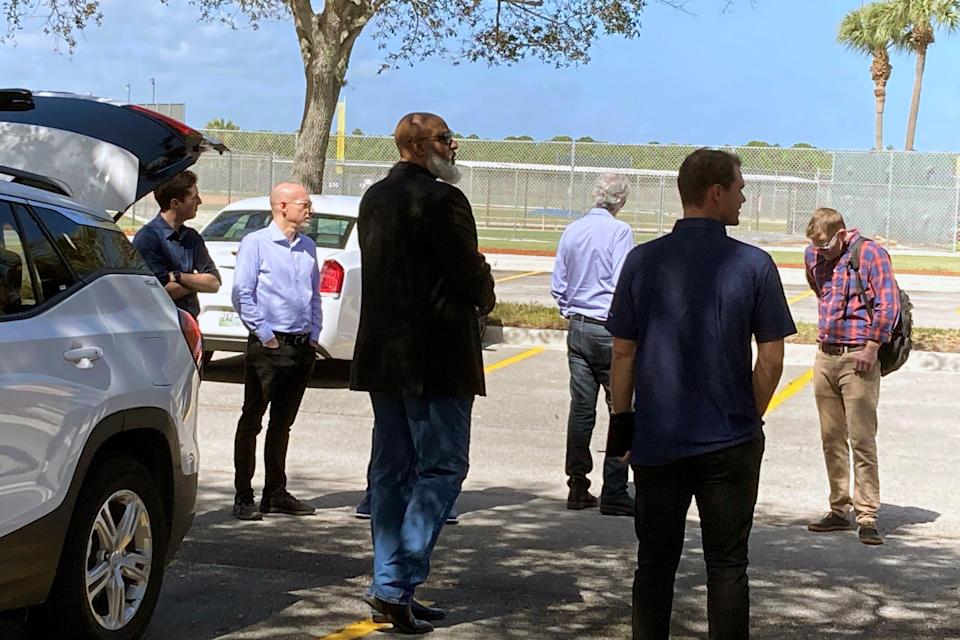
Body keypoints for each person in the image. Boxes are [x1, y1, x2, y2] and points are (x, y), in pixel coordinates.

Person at [607, 149, 795, 640]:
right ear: (716, 193)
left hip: (658, 439)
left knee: (654, 567)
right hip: (729, 441)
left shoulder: (641, 260)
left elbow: (622, 354)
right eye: (739, 187)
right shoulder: (754, 264)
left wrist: (621, 428)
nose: (744, 196)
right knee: (728, 567)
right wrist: (747, 418)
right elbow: (772, 358)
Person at [350, 112, 495, 634]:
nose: (452, 146)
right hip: (436, 359)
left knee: (391, 471)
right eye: (443, 138)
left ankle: (391, 585)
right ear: (415, 146)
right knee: (441, 469)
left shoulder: (374, 197)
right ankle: (394, 584)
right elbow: (466, 273)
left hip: (386, 358)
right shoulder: (443, 199)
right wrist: (487, 286)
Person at [803, 207, 899, 546]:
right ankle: (838, 509)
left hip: (859, 356)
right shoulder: (812, 254)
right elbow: (819, 291)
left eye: (826, 246)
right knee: (831, 437)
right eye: (815, 247)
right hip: (825, 355)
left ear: (842, 234)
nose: (820, 252)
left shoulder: (870, 253)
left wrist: (872, 346)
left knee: (861, 438)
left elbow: (888, 304)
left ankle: (868, 514)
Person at [230, 182, 322, 521]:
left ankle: (275, 492)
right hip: (269, 347)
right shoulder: (256, 243)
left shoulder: (308, 246)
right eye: (304, 204)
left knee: (282, 424)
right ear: (282, 206)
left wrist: (314, 334)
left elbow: (314, 295)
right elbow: (242, 294)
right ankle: (244, 495)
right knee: (252, 420)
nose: (309, 210)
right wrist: (266, 335)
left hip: (301, 347)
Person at [551, 172, 635, 516]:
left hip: (579, 327)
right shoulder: (620, 231)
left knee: (581, 410)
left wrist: (570, 307)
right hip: (608, 328)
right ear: (622, 200)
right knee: (622, 407)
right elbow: (622, 282)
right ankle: (614, 487)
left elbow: (559, 282)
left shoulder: (573, 229)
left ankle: (577, 484)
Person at [132, 170, 221, 318]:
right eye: (194, 197)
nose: (200, 201)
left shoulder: (192, 237)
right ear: (175, 203)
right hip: (161, 327)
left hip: (190, 327)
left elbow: (214, 283)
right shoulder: (147, 239)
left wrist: (178, 276)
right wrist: (196, 283)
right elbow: (161, 292)